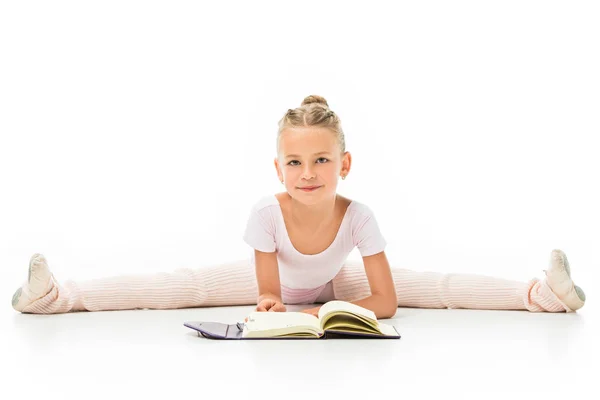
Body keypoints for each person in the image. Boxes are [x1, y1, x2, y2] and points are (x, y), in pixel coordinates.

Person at [11, 95, 586, 317]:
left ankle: (539, 295)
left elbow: (385, 298)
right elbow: (268, 290)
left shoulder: (359, 216)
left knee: (431, 285)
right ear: (278, 167)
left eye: (320, 161)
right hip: (276, 280)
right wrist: (270, 304)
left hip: (335, 283)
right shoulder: (267, 212)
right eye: (294, 162)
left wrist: (322, 315)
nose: (307, 174)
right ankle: (59, 297)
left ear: (345, 165)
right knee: (179, 285)